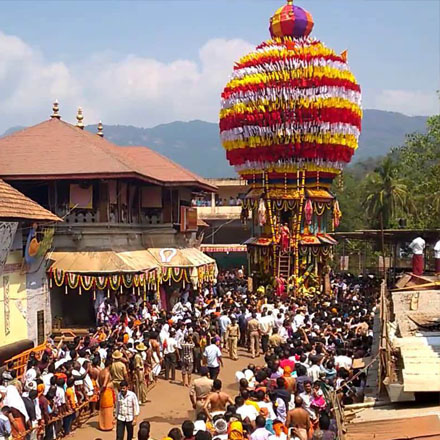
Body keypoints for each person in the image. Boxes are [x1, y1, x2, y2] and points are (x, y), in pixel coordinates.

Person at [98, 357, 115, 431]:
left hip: (103, 393)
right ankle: (108, 426)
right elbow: (104, 385)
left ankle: (103, 425)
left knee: (103, 409)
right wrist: (101, 391)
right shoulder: (107, 373)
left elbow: (99, 382)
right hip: (106, 392)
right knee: (108, 409)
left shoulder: (101, 371)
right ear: (110, 365)